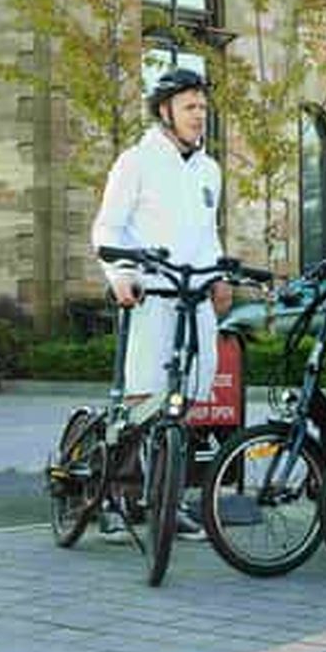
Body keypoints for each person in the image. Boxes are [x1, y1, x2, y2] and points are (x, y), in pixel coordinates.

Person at [91, 67, 232, 538]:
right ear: (165, 110)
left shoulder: (209, 169)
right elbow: (108, 227)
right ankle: (122, 493)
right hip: (149, 294)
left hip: (195, 297)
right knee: (143, 391)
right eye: (190, 107)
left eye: (203, 108)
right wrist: (120, 276)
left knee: (191, 388)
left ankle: (169, 498)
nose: (199, 116)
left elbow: (208, 234)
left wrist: (219, 278)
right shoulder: (137, 162)